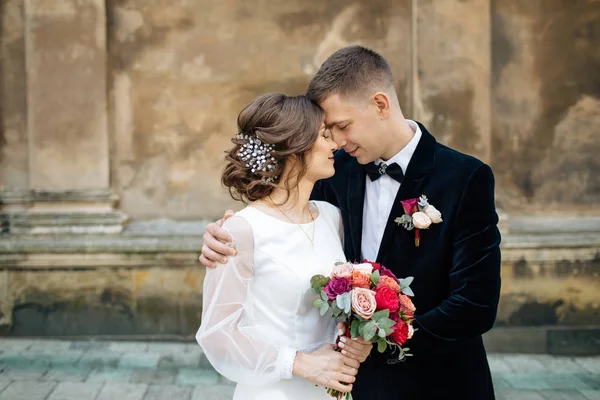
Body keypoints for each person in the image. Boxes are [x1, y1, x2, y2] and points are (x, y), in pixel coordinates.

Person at [200, 45, 502, 400]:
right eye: (328, 131)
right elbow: (282, 222)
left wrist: (382, 338)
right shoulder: (333, 172)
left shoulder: (465, 178)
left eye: (342, 126)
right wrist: (221, 238)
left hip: (440, 384)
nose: (337, 142)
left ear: (380, 104)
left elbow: (475, 304)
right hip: (350, 387)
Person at [195, 93, 373, 400]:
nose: (334, 145)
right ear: (293, 149)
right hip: (274, 390)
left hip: (331, 390)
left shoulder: (332, 217)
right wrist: (299, 364)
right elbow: (218, 334)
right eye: (323, 135)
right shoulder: (242, 230)